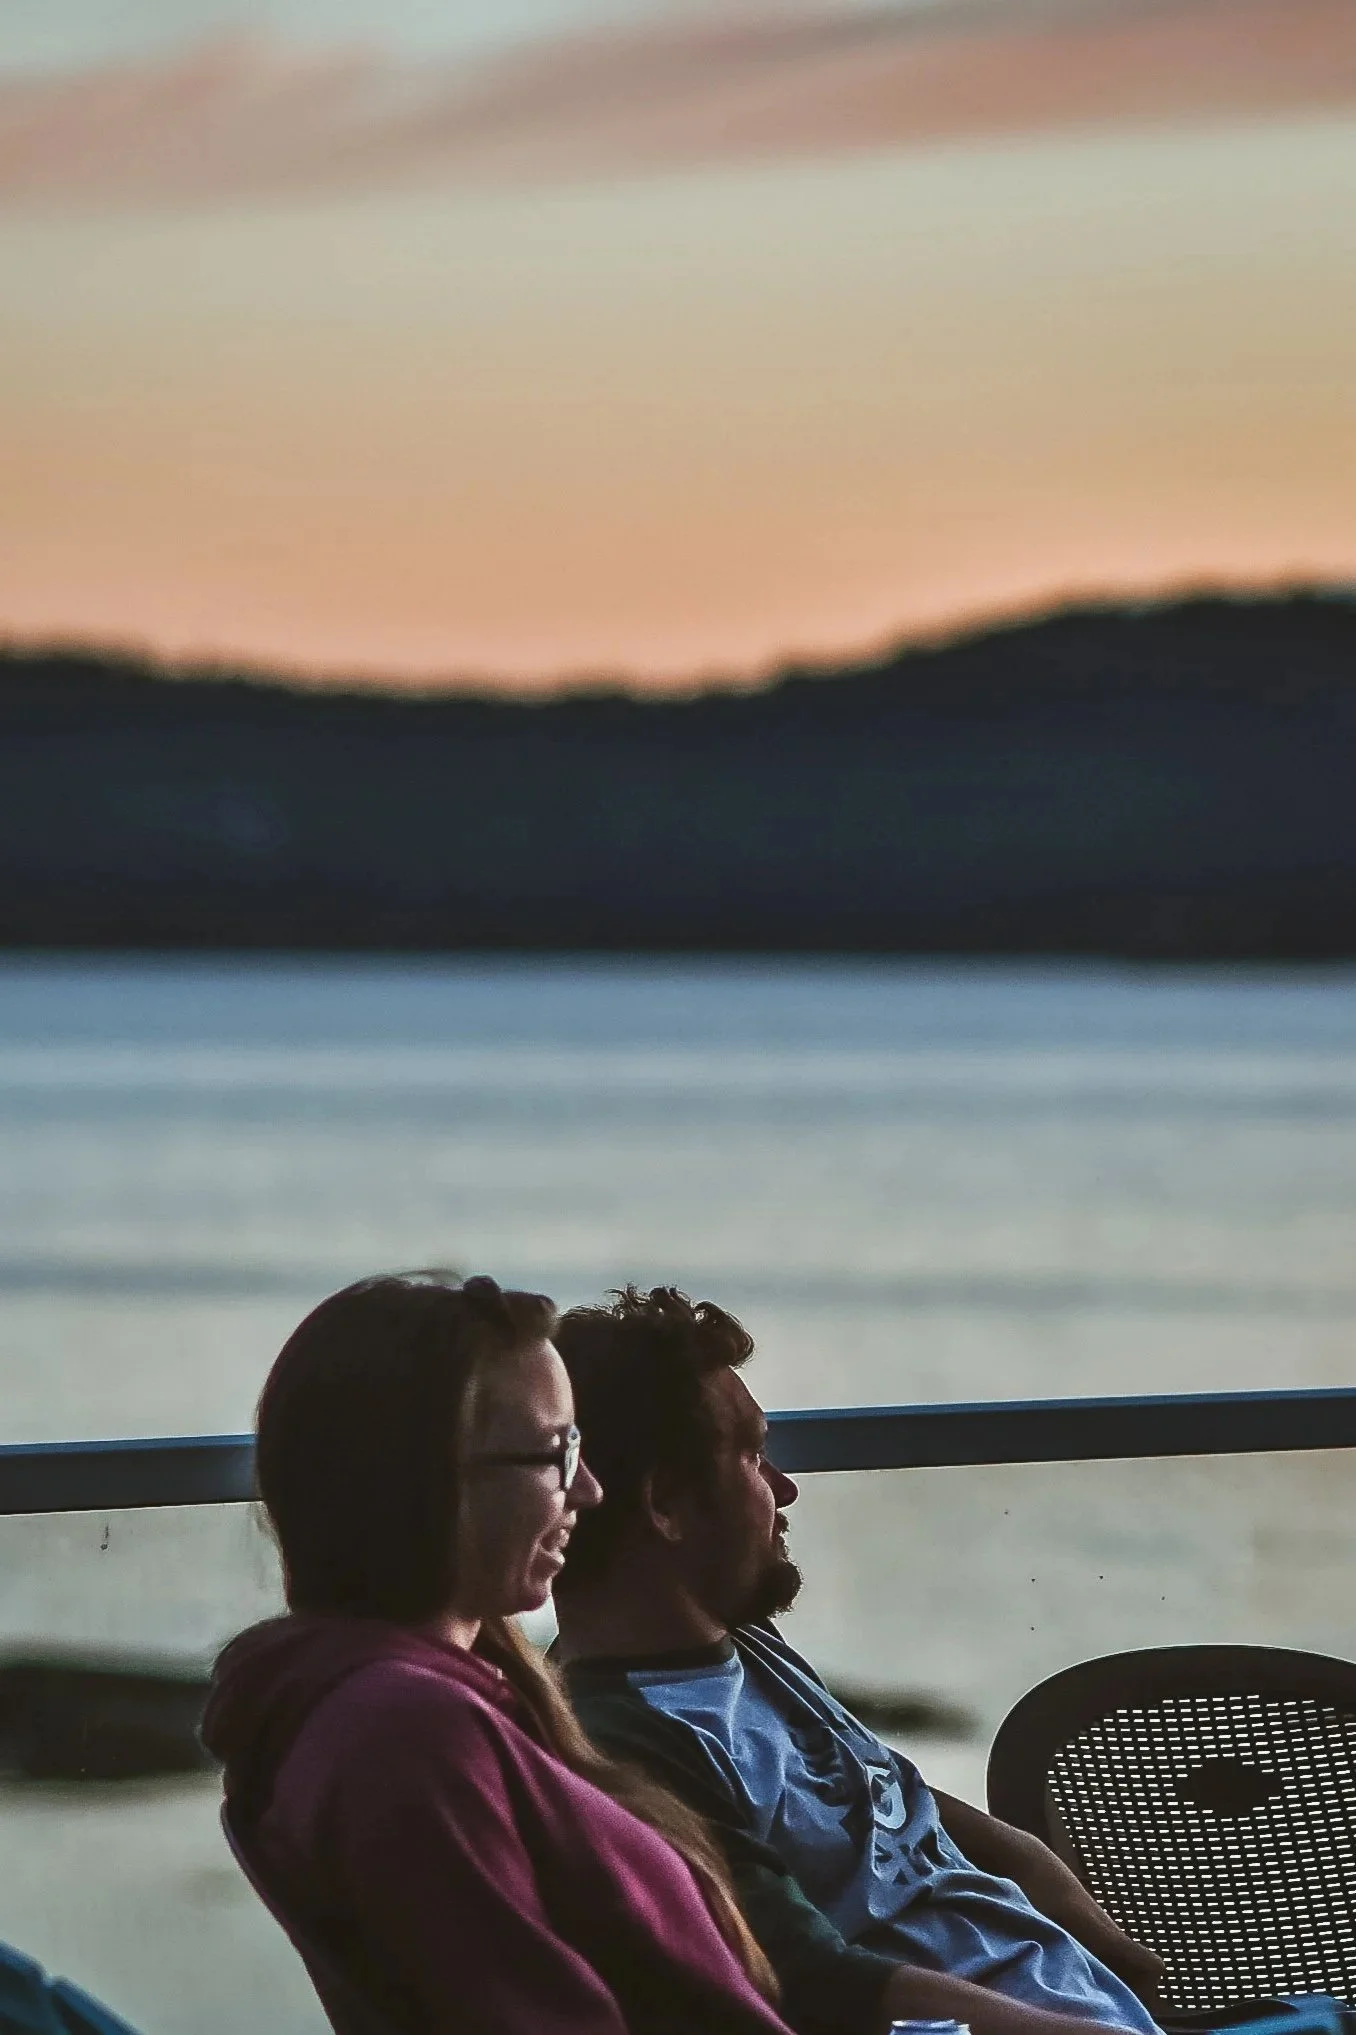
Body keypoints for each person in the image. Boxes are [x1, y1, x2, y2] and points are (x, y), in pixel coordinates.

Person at [551, 1285, 1167, 2035]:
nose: (785, 1488)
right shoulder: (622, 1743)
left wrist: (1035, 1866)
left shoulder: (741, 1648)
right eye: (752, 1455)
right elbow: (811, 1982)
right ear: (667, 1506)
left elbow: (860, 1793)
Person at [202, 1271, 799, 2035]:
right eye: (555, 1454)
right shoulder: (408, 1733)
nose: (588, 1490)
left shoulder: (446, 1697)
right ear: (430, 1476)